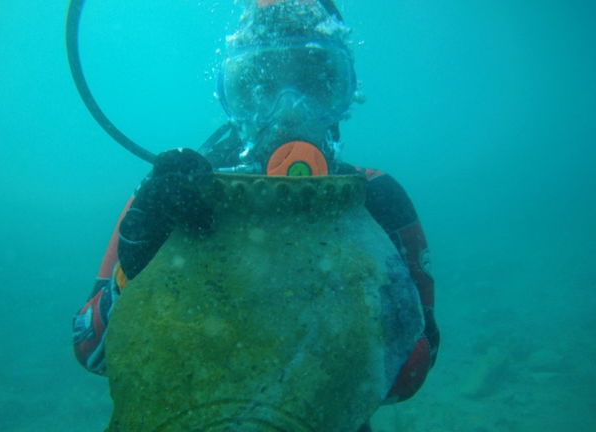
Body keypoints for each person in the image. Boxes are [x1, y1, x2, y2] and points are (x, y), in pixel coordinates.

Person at [72, 0, 439, 429]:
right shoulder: (172, 195)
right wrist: (134, 267)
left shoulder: (377, 201)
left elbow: (414, 368)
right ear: (230, 100)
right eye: (259, 90)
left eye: (316, 84)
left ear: (345, 94)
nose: (288, 112)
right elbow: (92, 350)